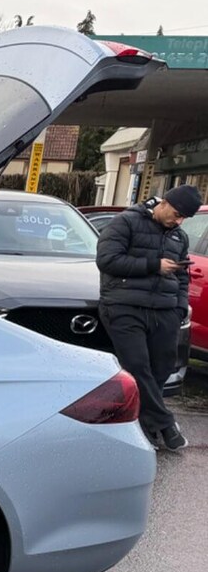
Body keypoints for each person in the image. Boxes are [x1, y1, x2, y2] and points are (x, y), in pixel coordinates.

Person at [96, 183, 202, 451]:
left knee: (162, 367)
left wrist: (179, 307)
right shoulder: (125, 222)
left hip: (165, 311)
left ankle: (146, 425)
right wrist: (154, 266)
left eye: (183, 218)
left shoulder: (179, 237)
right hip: (124, 305)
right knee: (137, 365)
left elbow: (181, 277)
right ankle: (165, 425)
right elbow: (107, 260)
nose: (177, 221)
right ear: (164, 202)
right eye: (176, 214)